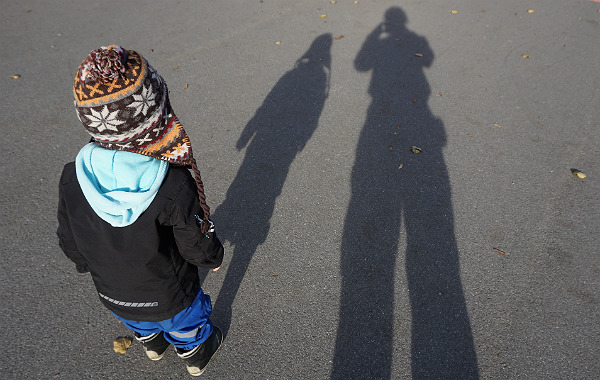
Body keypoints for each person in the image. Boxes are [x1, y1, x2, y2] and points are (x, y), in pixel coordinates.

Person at [57, 45, 224, 377]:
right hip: (169, 293)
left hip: (113, 292)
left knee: (139, 321)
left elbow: (69, 234)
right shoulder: (171, 183)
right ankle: (193, 352)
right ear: (156, 116)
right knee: (185, 322)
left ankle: (151, 343)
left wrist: (81, 261)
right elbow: (193, 236)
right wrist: (211, 258)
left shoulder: (73, 177)